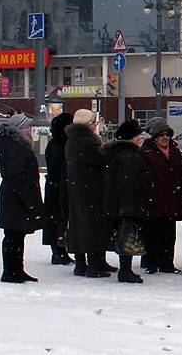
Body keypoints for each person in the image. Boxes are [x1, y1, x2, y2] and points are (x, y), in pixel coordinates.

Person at [0, 112, 45, 283]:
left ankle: (17, 269)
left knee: (17, 235)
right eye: (27, 127)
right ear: (20, 129)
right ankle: (11, 270)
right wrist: (29, 200)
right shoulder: (15, 147)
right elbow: (17, 176)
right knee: (13, 235)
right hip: (15, 198)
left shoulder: (13, 145)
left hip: (14, 196)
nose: (29, 130)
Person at [66, 109, 115, 278]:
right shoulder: (86, 141)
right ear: (89, 124)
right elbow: (100, 160)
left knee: (79, 225)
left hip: (77, 187)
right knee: (92, 226)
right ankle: (94, 264)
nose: (96, 125)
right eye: (94, 122)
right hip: (91, 189)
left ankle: (82, 263)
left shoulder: (73, 139)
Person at [104, 119, 152, 284]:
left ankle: (126, 269)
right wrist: (128, 206)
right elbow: (127, 183)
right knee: (128, 236)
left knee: (125, 235)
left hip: (121, 203)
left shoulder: (119, 154)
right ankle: (125, 270)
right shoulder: (128, 157)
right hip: (128, 204)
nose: (139, 138)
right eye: (137, 135)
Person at [139, 117, 182, 274]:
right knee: (153, 233)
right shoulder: (146, 152)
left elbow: (181, 173)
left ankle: (168, 263)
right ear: (155, 137)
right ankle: (151, 263)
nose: (165, 138)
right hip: (154, 199)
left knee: (169, 234)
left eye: (167, 134)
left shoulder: (174, 152)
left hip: (172, 199)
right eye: (161, 135)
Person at [42, 112, 74, 264]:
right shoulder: (59, 145)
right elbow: (56, 168)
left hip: (57, 186)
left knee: (57, 219)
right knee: (57, 219)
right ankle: (58, 251)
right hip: (58, 187)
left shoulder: (58, 143)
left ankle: (59, 249)